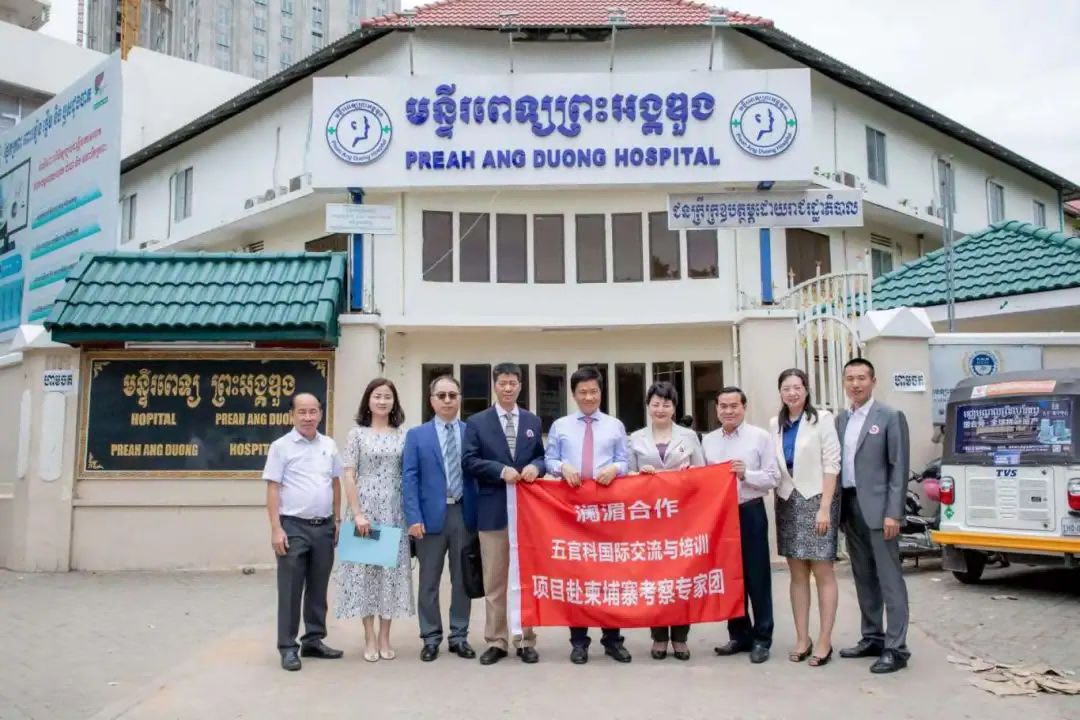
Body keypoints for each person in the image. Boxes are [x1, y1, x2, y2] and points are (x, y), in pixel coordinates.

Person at [545, 365, 632, 665]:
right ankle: (579, 641)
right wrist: (562, 467)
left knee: (609, 574)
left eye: (593, 391)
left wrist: (615, 469)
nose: (588, 397)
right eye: (582, 392)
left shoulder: (615, 426)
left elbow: (625, 461)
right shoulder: (560, 426)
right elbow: (549, 459)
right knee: (577, 575)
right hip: (572, 510)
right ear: (573, 395)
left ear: (601, 393)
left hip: (607, 509)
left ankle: (612, 639)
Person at [461, 363, 547, 666]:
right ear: (494, 386)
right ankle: (496, 640)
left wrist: (536, 466)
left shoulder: (532, 421)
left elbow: (541, 456)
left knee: (525, 580)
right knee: (495, 581)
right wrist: (499, 470)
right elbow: (469, 461)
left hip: (527, 515)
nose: (508, 388)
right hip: (493, 512)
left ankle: (525, 639)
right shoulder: (477, 422)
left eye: (513, 383)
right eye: (503, 383)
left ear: (520, 385)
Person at [836, 358, 912, 674]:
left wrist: (894, 513)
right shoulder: (841, 419)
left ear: (873, 381)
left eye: (861, 378)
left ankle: (897, 648)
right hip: (851, 506)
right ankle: (872, 637)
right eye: (850, 378)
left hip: (881, 511)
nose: (855, 384)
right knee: (863, 576)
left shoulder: (890, 416)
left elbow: (899, 467)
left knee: (889, 579)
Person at [263, 392, 344, 671]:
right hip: (293, 526)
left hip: (324, 526)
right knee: (291, 589)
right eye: (302, 412)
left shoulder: (329, 445)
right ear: (292, 415)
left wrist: (337, 518)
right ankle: (287, 647)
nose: (308, 417)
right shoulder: (280, 447)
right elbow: (273, 488)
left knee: (318, 587)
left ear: (320, 413)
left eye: (313, 411)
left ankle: (313, 639)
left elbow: (335, 483)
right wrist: (276, 529)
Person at [336, 378, 415, 663]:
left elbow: (409, 474)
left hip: (394, 511)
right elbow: (349, 474)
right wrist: (357, 513)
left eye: (387, 397)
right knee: (365, 574)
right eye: (377, 396)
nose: (382, 401)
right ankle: (369, 636)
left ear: (395, 402)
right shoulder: (357, 434)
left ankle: (385, 637)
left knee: (389, 574)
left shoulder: (403, 435)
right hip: (365, 510)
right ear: (368, 401)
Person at [627, 381, 705, 661]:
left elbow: (703, 473)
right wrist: (640, 476)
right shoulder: (635, 438)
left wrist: (689, 474)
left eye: (666, 404)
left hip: (683, 518)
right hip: (649, 519)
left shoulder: (689, 436)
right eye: (656, 404)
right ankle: (659, 637)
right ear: (648, 406)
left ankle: (681, 638)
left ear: (675, 408)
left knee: (682, 576)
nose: (660, 409)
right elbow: (626, 477)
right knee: (655, 578)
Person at [769, 368, 841, 668]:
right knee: (797, 574)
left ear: (806, 390)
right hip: (788, 501)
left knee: (822, 572)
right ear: (780, 392)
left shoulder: (822, 419)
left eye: (797, 387)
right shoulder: (775, 424)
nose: (792, 393)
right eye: (786, 388)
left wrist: (825, 507)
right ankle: (802, 638)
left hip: (817, 500)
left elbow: (832, 463)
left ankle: (824, 639)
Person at [403, 374, 478, 662]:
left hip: (463, 514)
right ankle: (431, 637)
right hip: (429, 517)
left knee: (462, 579)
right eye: (441, 395)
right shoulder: (417, 435)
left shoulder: (471, 432)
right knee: (429, 581)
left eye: (452, 395)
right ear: (432, 400)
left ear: (460, 399)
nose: (447, 400)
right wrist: (413, 517)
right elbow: (409, 479)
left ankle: (459, 636)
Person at [704, 386, 780, 664]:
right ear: (716, 409)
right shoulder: (708, 441)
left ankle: (762, 638)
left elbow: (773, 478)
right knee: (729, 576)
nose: (728, 411)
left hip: (750, 511)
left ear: (744, 407)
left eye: (734, 406)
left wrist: (746, 474)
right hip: (721, 516)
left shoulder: (760, 437)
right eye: (723, 406)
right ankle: (739, 634)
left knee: (757, 576)